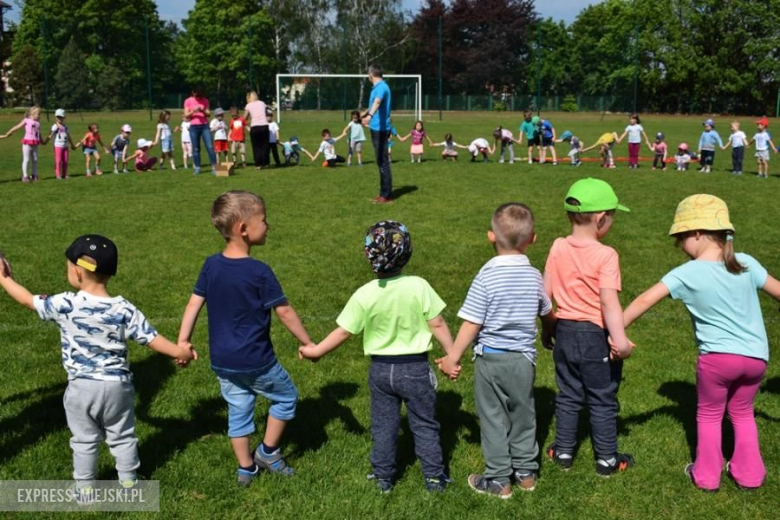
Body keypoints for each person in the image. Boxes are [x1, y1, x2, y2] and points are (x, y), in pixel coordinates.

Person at [0, 235, 196, 496]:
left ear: (78, 272)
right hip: (118, 387)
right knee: (123, 435)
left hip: (81, 389)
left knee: (84, 440)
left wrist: (4, 279)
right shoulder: (124, 308)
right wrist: (180, 351)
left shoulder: (65, 304)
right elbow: (152, 339)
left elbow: (27, 300)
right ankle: (128, 481)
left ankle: (85, 488)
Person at [623, 194, 780, 491]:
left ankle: (706, 476)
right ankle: (750, 475)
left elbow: (645, 299)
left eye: (681, 238)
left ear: (696, 234)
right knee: (743, 412)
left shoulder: (686, 273)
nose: (680, 247)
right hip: (757, 359)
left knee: (709, 414)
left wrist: (616, 327)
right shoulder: (746, 263)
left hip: (717, 360)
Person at [299, 221, 454, 494]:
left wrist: (316, 351)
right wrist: (452, 355)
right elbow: (438, 324)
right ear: (408, 252)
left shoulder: (364, 294)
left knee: (384, 426)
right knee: (425, 424)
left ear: (368, 256)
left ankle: (384, 477)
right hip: (415, 369)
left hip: (380, 371)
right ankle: (434, 478)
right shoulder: (419, 286)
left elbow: (343, 332)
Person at [178, 191, 313, 487]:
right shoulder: (259, 272)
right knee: (286, 397)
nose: (268, 225)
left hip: (223, 362)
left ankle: (245, 467)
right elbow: (285, 311)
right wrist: (307, 343)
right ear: (243, 228)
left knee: (238, 409)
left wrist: (183, 342)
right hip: (257, 361)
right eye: (263, 220)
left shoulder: (210, 265)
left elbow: (193, 304)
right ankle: (267, 452)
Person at [437, 204, 556, 499]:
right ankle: (526, 474)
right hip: (522, 361)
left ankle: (499, 480)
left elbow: (471, 323)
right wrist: (550, 332)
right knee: (524, 414)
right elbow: (547, 312)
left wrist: (453, 356)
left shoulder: (486, 276)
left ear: (491, 236)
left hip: (491, 359)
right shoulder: (534, 276)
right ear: (533, 239)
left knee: (492, 418)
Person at [543, 178, 634, 477]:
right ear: (600, 218)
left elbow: (544, 295)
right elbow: (609, 303)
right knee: (602, 397)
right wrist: (619, 341)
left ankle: (564, 451)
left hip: (565, 332)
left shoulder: (557, 246)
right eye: (612, 216)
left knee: (568, 393)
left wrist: (548, 327)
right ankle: (607, 459)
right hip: (595, 336)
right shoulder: (606, 255)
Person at [362, 64, 393, 204]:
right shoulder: (379, 87)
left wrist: (370, 116)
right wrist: (364, 113)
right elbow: (373, 104)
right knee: (380, 161)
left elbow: (378, 101)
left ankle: (386, 195)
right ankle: (383, 192)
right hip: (376, 128)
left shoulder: (381, 88)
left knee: (383, 162)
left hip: (380, 130)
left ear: (371, 74)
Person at [0, 105, 43, 182]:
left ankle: (34, 175)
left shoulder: (38, 123)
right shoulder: (26, 120)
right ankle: (25, 176)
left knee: (35, 159)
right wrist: (9, 132)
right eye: (38, 114)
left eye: (40, 114)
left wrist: (42, 141)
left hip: (35, 143)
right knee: (26, 159)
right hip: (27, 143)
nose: (39, 116)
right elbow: (17, 126)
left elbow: (39, 133)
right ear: (32, 114)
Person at [183, 87, 217, 176]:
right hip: (194, 127)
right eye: (196, 95)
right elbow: (186, 115)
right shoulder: (188, 101)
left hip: (205, 126)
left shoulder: (205, 100)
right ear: (193, 93)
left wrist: (202, 110)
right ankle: (197, 168)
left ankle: (214, 167)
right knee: (196, 148)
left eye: (199, 95)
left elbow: (209, 114)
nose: (198, 97)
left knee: (210, 147)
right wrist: (193, 111)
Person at [47, 108, 78, 180]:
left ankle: (64, 174)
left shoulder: (66, 127)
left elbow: (68, 136)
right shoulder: (55, 126)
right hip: (58, 146)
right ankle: (58, 174)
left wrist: (72, 144)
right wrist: (46, 141)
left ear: (64, 117)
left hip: (65, 146)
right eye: (58, 117)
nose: (59, 119)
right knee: (58, 161)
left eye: (61, 117)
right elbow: (50, 134)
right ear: (55, 117)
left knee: (65, 161)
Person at [244, 91, 270, 170]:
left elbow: (245, 117)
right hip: (264, 126)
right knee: (265, 145)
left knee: (256, 146)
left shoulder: (248, 105)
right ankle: (265, 162)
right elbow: (266, 114)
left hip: (255, 127)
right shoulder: (262, 103)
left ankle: (258, 164)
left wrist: (246, 124)